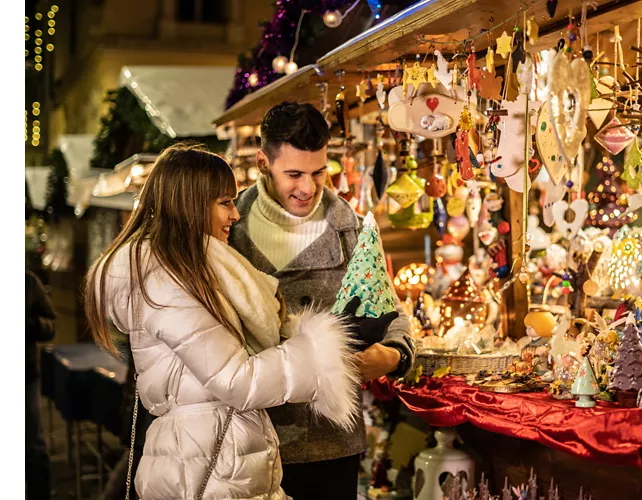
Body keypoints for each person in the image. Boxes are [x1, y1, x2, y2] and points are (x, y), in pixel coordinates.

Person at [84, 144, 363, 500]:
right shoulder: (168, 280)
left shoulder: (187, 270)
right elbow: (236, 380)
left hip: (211, 457)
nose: (235, 214)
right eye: (224, 202)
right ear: (191, 204)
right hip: (206, 465)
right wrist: (321, 347)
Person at [230, 102, 415, 499]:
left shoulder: (350, 227)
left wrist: (395, 355)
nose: (308, 188)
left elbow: (389, 311)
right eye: (293, 174)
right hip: (248, 437)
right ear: (264, 162)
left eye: (318, 172)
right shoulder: (229, 224)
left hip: (331, 440)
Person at [26, 269, 56, 500]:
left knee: (32, 445)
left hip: (25, 376)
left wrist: (28, 323)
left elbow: (50, 325)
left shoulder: (26, 281)